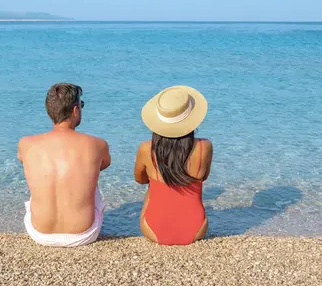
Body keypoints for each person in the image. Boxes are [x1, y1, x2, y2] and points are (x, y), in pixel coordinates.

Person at [17, 83, 111, 247]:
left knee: (39, 171)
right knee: (89, 173)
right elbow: (103, 164)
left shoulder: (26, 144)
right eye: (81, 105)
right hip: (84, 233)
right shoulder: (98, 144)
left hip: (39, 233)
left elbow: (23, 160)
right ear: (75, 110)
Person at [133, 85, 213, 245]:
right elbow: (203, 177)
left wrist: (158, 173)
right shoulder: (205, 147)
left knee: (152, 186)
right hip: (197, 229)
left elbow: (140, 180)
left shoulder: (145, 148)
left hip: (152, 229)